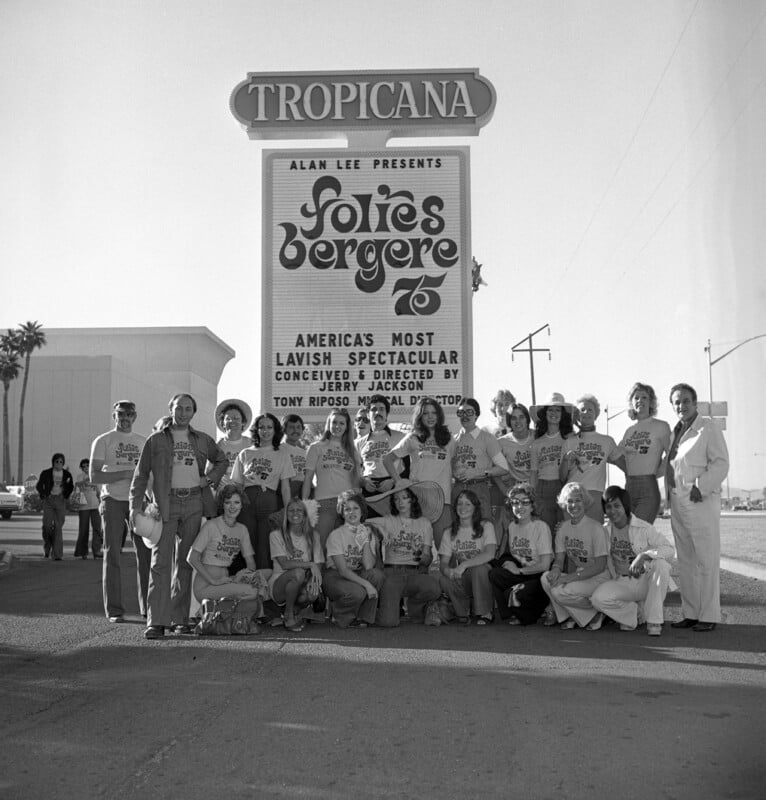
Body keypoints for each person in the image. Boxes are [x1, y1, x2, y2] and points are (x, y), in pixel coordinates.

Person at [130, 393, 227, 640]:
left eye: (187, 409)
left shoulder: (203, 439)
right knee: (160, 562)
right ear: (170, 410)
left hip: (194, 501)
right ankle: (156, 621)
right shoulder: (155, 440)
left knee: (185, 562)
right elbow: (140, 476)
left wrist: (210, 479)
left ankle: (179, 619)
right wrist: (134, 507)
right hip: (166, 503)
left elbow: (222, 460)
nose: (183, 413)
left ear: (193, 412)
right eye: (178, 408)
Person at [665, 383, 729, 632]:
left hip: (699, 501)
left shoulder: (708, 428)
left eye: (686, 401)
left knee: (706, 559)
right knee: (687, 560)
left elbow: (721, 463)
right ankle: (691, 613)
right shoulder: (676, 432)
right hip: (678, 502)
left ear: (695, 402)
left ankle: (709, 615)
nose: (681, 406)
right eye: (677, 402)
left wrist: (700, 487)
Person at [90, 400, 149, 622]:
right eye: (120, 414)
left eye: (129, 414)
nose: (125, 418)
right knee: (112, 553)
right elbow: (94, 476)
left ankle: (147, 608)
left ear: (135, 416)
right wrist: (125, 473)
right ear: (114, 416)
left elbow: (148, 475)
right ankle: (114, 610)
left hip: (137, 502)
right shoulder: (103, 440)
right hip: (112, 500)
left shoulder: (143, 442)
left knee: (145, 555)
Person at [589, 486, 675, 636]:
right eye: (608, 507)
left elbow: (669, 549)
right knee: (598, 599)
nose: (612, 510)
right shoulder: (604, 531)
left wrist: (644, 556)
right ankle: (634, 613)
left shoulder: (643, 527)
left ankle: (654, 620)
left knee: (661, 564)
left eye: (617, 505)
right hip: (622, 582)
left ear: (625, 506)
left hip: (645, 581)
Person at [365, 482, 442, 627]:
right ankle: (371, 610)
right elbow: (361, 522)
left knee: (434, 588)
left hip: (415, 573)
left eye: (405, 497)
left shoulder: (425, 523)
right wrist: (380, 529)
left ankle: (414, 606)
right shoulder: (388, 520)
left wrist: (418, 554)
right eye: (396, 499)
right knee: (388, 622)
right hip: (391, 575)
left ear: (412, 499)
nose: (400, 502)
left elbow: (426, 560)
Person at [383, 397, 456, 548]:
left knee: (445, 549)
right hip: (418, 500)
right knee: (418, 548)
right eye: (425, 413)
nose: (430, 417)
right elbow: (387, 459)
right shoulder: (413, 438)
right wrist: (399, 481)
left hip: (443, 501)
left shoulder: (449, 440)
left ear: (439, 415)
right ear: (419, 416)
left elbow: (456, 466)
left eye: (433, 413)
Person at [540, 482, 610, 629]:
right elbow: (559, 560)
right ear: (564, 504)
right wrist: (555, 570)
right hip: (580, 576)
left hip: (599, 577)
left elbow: (600, 566)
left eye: (578, 500)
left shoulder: (596, 528)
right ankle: (573, 616)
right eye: (569, 501)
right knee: (546, 579)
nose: (574, 505)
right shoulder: (563, 529)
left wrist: (567, 578)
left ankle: (596, 611)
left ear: (585, 502)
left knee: (560, 592)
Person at [231, 412, 294, 569]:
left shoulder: (282, 454)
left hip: (269, 500)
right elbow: (237, 485)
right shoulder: (245, 453)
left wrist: (288, 511)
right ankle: (248, 583)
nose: (265, 431)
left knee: (266, 543)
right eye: (261, 427)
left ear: (275, 430)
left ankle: (265, 586)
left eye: (269, 427)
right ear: (256, 430)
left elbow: (285, 487)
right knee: (247, 542)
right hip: (247, 501)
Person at [488, 483, 552, 626]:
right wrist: (509, 562)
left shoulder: (540, 527)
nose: (519, 506)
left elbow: (545, 565)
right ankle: (511, 613)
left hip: (539, 576)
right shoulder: (512, 526)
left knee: (514, 595)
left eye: (525, 502)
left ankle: (538, 609)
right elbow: (514, 555)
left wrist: (519, 571)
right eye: (515, 502)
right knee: (495, 574)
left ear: (532, 505)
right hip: (522, 573)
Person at [187, 485, 262, 602]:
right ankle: (213, 609)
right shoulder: (211, 525)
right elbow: (192, 558)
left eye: (236, 502)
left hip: (226, 580)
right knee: (252, 591)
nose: (232, 507)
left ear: (242, 504)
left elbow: (250, 562)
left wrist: (246, 575)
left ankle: (220, 612)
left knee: (264, 577)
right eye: (228, 502)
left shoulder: (242, 529)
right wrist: (213, 581)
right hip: (205, 585)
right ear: (222, 504)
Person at [323, 491, 384, 628]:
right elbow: (343, 570)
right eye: (347, 509)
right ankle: (340, 615)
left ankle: (363, 617)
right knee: (358, 592)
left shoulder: (367, 532)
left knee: (377, 575)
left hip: (356, 573)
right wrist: (367, 585)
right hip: (336, 576)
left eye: (356, 508)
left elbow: (368, 566)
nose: (352, 512)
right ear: (342, 513)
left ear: (362, 511)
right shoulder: (336, 535)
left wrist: (365, 541)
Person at [302, 408, 361, 547]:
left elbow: (356, 481)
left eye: (342, 423)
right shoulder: (316, 447)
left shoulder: (353, 451)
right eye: (334, 422)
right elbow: (308, 479)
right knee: (320, 545)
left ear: (347, 427)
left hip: (348, 504)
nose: (337, 426)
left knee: (346, 546)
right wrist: (305, 504)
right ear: (328, 424)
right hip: (324, 503)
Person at [438, 489, 497, 624]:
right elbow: (443, 563)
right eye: (459, 503)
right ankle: (463, 612)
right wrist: (449, 571)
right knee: (444, 580)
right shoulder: (449, 532)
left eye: (468, 504)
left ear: (475, 508)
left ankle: (485, 612)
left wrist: (464, 565)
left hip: (484, 574)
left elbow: (490, 554)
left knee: (479, 569)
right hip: (464, 576)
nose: (462, 508)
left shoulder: (486, 526)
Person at [561, 394, 623, 521]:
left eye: (590, 409)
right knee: (573, 537)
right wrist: (566, 460)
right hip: (572, 496)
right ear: (577, 415)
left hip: (596, 494)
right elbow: (562, 477)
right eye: (582, 410)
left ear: (596, 414)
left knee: (595, 536)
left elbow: (624, 465)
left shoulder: (607, 441)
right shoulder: (569, 442)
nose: (586, 413)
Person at [451, 397, 509, 527]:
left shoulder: (487, 438)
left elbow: (503, 468)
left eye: (469, 412)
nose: (465, 416)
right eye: (461, 412)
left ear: (476, 415)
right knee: (459, 531)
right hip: (458, 490)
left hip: (479, 488)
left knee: (482, 530)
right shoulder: (453, 441)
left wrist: (478, 473)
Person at [268, 497, 324, 632]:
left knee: (312, 594)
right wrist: (310, 564)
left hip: (302, 580)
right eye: (291, 511)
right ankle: (288, 616)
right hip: (279, 584)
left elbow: (319, 562)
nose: (295, 513)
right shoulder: (276, 535)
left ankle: (292, 611)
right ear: (286, 515)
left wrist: (312, 579)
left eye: (299, 510)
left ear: (305, 515)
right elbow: (284, 564)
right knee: (298, 572)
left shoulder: (313, 535)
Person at [618, 382, 671, 523]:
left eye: (644, 397)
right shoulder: (629, 431)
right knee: (628, 532)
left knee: (640, 531)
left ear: (651, 402)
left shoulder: (661, 426)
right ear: (631, 403)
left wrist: (656, 473)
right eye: (636, 398)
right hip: (628, 486)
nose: (640, 401)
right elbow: (616, 455)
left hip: (648, 487)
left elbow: (672, 454)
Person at [528, 392, 576, 535]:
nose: (553, 413)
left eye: (558, 410)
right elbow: (533, 472)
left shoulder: (571, 438)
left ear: (563, 414)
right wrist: (531, 495)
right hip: (543, 488)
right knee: (546, 531)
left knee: (565, 529)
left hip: (564, 486)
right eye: (550, 409)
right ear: (544, 413)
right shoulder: (537, 443)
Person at [494, 402, 534, 549]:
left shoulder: (537, 437)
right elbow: (493, 470)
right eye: (514, 418)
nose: (518, 421)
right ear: (509, 421)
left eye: (521, 417)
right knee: (515, 532)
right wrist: (505, 490)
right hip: (515, 493)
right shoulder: (502, 442)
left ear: (527, 419)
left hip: (535, 490)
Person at [356, 394, 404, 498]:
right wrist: (364, 482)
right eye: (373, 409)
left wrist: (393, 481)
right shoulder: (358, 443)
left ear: (387, 414)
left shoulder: (401, 437)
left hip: (394, 491)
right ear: (368, 415)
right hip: (368, 492)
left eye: (382, 409)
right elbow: (354, 473)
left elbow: (409, 468)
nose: (378, 413)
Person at [36, 453, 74, 560]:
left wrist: (65, 495)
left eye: (61, 462)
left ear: (63, 463)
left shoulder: (67, 474)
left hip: (60, 501)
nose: (59, 464)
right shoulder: (46, 473)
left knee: (58, 527)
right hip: (49, 500)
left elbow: (71, 486)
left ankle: (57, 555)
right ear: (53, 462)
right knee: (47, 526)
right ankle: (47, 546)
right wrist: (44, 495)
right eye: (56, 461)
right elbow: (39, 485)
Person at [214, 398, 252, 488]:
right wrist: (214, 485)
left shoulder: (251, 444)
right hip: (223, 495)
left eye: (236, 418)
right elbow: (208, 473)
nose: (232, 422)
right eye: (228, 419)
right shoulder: (216, 446)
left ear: (243, 422)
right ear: (222, 423)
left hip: (245, 493)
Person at [73, 458, 103, 559]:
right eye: (84, 466)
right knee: (83, 530)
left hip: (95, 506)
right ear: (81, 468)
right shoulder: (79, 477)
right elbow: (77, 488)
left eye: (87, 465)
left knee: (97, 529)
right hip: (83, 507)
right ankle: (83, 552)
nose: (86, 468)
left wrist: (102, 504)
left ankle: (97, 551)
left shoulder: (96, 477)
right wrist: (85, 481)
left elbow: (99, 492)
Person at [281, 413, 308, 498]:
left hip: (301, 494)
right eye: (291, 427)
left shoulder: (304, 453)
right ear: (284, 429)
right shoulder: (278, 449)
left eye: (298, 427)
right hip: (284, 492)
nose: (296, 430)